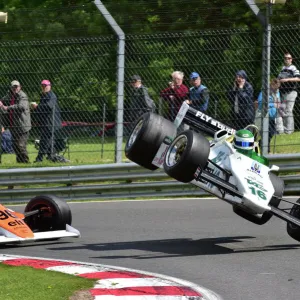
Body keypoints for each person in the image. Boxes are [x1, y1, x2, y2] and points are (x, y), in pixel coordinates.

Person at [32, 80, 63, 162]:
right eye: (42, 86)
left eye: (45, 85)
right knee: (48, 140)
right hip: (45, 122)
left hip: (51, 122)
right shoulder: (43, 96)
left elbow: (49, 106)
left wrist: (37, 106)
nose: (44, 87)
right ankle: (52, 156)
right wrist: (36, 108)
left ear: (50, 86)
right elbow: (42, 110)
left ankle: (39, 158)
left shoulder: (52, 95)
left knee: (44, 141)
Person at [0, 80, 31, 163]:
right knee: (15, 146)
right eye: (13, 87)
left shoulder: (22, 95)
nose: (15, 88)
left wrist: (7, 108)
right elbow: (3, 100)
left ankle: (25, 162)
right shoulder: (9, 95)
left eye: (16, 86)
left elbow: (21, 107)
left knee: (21, 145)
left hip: (22, 125)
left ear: (20, 87)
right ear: (11, 87)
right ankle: (20, 162)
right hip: (13, 125)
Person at [255, 78, 281, 153]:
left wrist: (279, 105)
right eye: (275, 87)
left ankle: (261, 145)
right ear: (271, 85)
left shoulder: (277, 92)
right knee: (266, 132)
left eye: (278, 87)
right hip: (264, 116)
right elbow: (260, 104)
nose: (276, 89)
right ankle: (266, 149)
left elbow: (278, 102)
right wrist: (273, 104)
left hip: (273, 116)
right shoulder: (264, 92)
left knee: (271, 132)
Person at [277, 52, 300, 134]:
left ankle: (289, 131)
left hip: (291, 92)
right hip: (283, 93)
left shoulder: (293, 68)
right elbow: (278, 79)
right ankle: (284, 130)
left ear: (291, 60)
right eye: (285, 58)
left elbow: (298, 78)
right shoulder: (282, 69)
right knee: (283, 111)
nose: (287, 59)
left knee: (288, 111)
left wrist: (287, 80)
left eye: (289, 58)